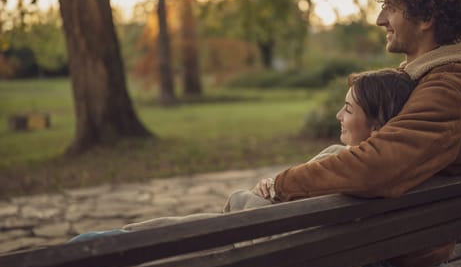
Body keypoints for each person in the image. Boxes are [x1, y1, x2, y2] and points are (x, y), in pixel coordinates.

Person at [253, 0, 461, 267]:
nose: (380, 20)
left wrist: (282, 185)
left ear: (425, 19)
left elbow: (375, 167)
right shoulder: (429, 80)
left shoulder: (445, 90)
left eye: (391, 8)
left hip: (394, 262)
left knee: (239, 245)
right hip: (387, 243)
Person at [68, 68, 416, 252]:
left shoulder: (344, 164)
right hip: (258, 249)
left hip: (239, 254)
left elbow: (261, 227)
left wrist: (248, 196)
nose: (339, 115)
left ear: (378, 124)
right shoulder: (388, 175)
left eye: (349, 109)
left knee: (106, 242)